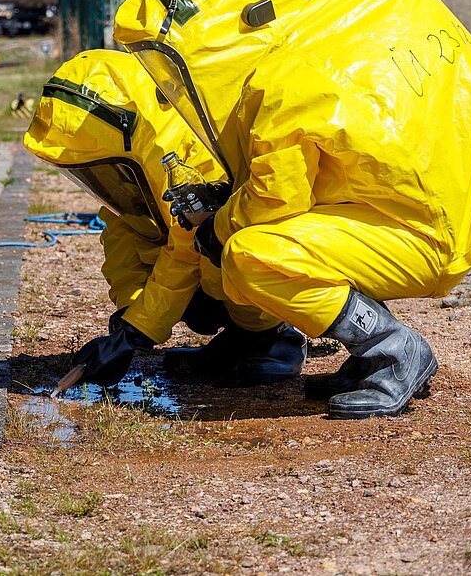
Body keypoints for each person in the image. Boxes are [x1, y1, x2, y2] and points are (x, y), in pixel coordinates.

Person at [113, 0, 471, 419]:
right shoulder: (351, 16)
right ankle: (365, 356)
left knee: (251, 256)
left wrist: (215, 227)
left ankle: (394, 350)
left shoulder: (285, 82)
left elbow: (274, 197)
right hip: (458, 210)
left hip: (425, 235)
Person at [23, 49, 306, 388]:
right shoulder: (132, 171)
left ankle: (273, 335)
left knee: (222, 255)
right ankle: (242, 336)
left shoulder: (190, 157)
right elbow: (122, 240)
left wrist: (135, 333)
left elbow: (187, 253)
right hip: (202, 263)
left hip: (282, 250)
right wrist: (129, 315)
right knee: (194, 275)